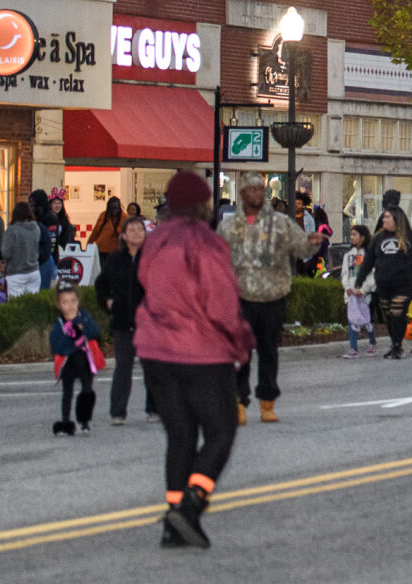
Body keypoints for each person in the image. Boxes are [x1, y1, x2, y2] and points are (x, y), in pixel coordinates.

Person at [137, 171, 254, 550]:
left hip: (155, 351)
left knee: (181, 435)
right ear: (204, 204)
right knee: (221, 431)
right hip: (201, 352)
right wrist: (241, 344)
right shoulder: (206, 243)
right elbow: (221, 303)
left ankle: (174, 524)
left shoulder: (154, 242)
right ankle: (190, 505)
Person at [220, 174, 317, 423]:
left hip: (273, 296)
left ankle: (267, 401)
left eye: (259, 189)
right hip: (240, 297)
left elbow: (301, 248)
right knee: (240, 353)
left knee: (268, 352)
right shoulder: (229, 226)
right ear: (242, 193)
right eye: (251, 189)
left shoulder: (279, 222)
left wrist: (311, 244)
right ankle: (237, 401)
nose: (256, 194)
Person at [354, 203, 412, 360]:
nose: (383, 220)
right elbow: (368, 262)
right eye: (383, 217)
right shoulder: (378, 238)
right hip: (384, 284)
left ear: (396, 220)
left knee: (398, 311)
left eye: (387, 217)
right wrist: (360, 280)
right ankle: (395, 342)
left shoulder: (411, 238)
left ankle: (397, 346)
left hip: (405, 283)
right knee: (389, 314)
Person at [96, 214, 156, 424]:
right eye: (131, 230)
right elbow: (101, 285)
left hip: (148, 322)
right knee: (123, 367)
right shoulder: (114, 260)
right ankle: (118, 412)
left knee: (151, 368)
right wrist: (108, 302)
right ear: (123, 235)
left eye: (140, 229)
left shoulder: (152, 258)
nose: (136, 233)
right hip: (122, 321)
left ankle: (154, 409)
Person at [49, 285, 102, 437]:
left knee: (87, 391)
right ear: (59, 305)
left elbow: (94, 331)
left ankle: (84, 421)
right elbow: (56, 345)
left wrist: (83, 328)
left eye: (73, 301)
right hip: (69, 363)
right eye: (65, 302)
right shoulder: (59, 324)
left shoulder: (83, 316)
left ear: (78, 301)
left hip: (85, 361)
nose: (70, 305)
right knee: (67, 393)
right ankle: (65, 422)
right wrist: (71, 344)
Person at [341, 225, 377, 358]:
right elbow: (344, 273)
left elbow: (372, 275)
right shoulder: (348, 256)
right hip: (351, 294)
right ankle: (353, 348)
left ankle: (372, 342)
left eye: (355, 235)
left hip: (365, 294)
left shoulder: (369, 255)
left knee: (367, 319)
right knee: (352, 319)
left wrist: (363, 290)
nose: (351, 237)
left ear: (363, 237)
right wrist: (348, 288)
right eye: (351, 234)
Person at [1, 201, 44, 298]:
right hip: (34, 271)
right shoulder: (36, 228)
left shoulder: (12, 230)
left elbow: (5, 253)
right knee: (32, 305)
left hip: (16, 273)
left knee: (16, 306)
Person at [29, 191, 59, 289]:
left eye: (33, 203)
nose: (31, 206)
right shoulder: (36, 218)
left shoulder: (50, 218)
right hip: (36, 258)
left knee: (43, 288)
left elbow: (52, 244)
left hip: (46, 259)